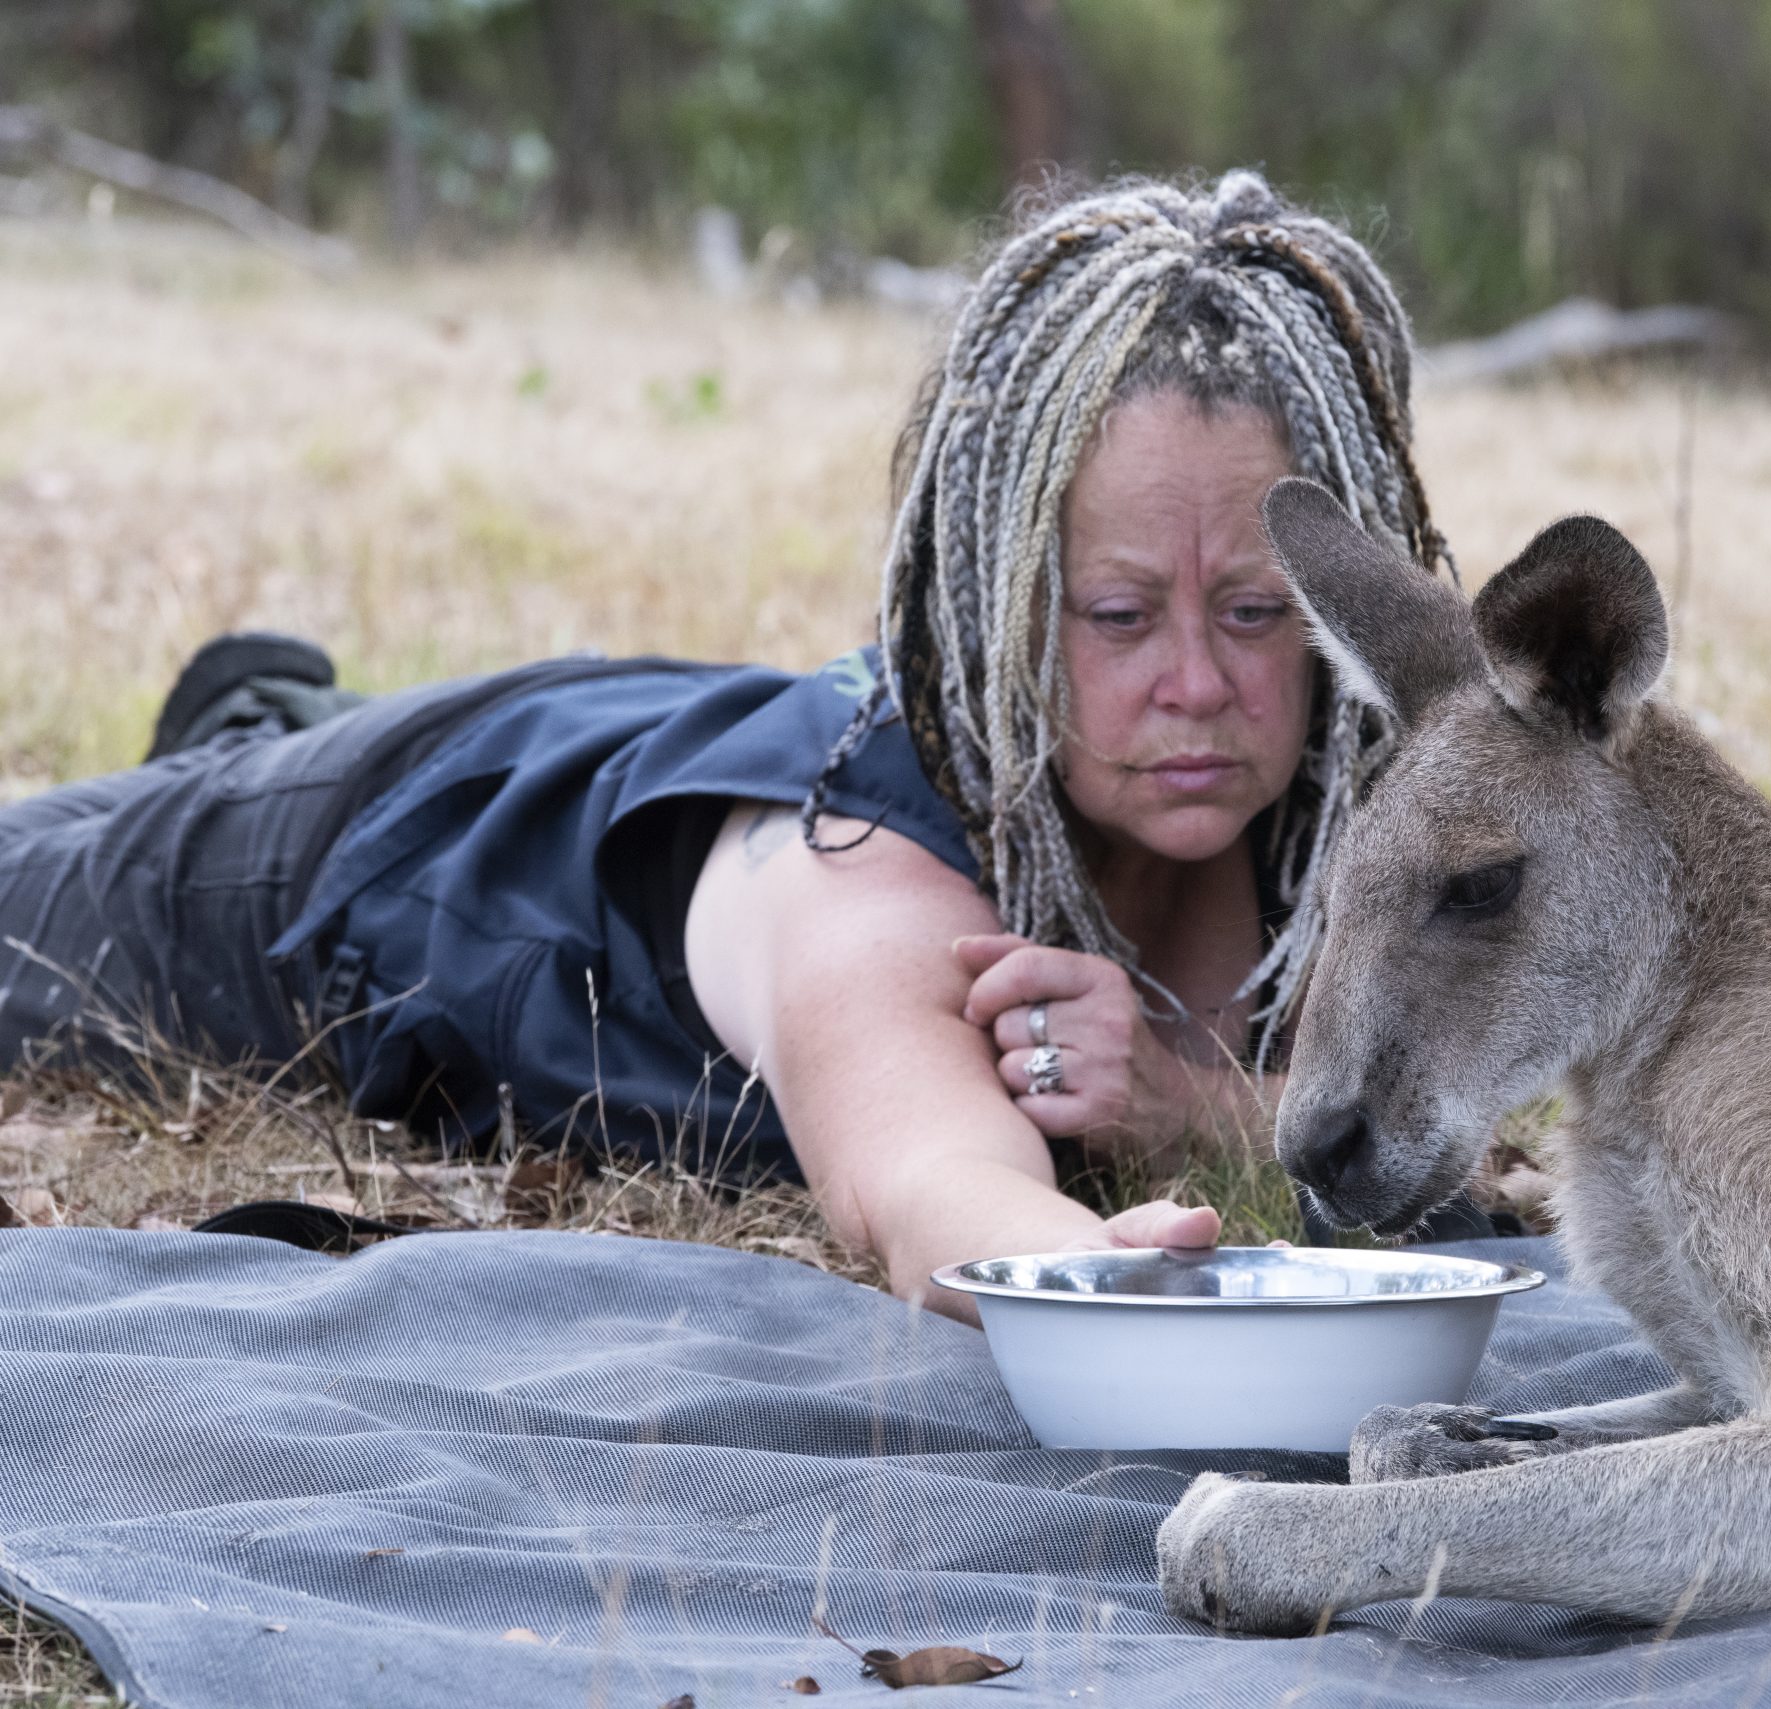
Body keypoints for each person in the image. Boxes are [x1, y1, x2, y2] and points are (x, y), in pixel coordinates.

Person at [0, 172, 1490, 1319]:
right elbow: (932, 1189)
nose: (1196, 684)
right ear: (997, 611)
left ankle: (260, 704)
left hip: (660, 729)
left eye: (1254, 610)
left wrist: (1186, 1107)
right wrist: (1120, 1287)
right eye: (1114, 614)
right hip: (395, 855)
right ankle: (262, 734)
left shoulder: (1345, 816)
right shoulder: (862, 876)